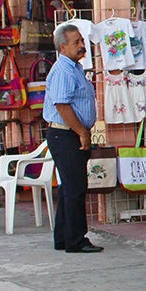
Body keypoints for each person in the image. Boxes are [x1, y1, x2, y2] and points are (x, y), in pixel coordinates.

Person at [44, 21, 103, 253]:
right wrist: (82, 132)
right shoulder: (63, 70)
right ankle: (76, 240)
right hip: (66, 134)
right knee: (76, 187)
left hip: (70, 134)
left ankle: (64, 238)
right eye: (76, 42)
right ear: (62, 47)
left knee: (70, 187)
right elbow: (62, 105)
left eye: (82, 41)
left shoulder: (75, 68)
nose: (82, 45)